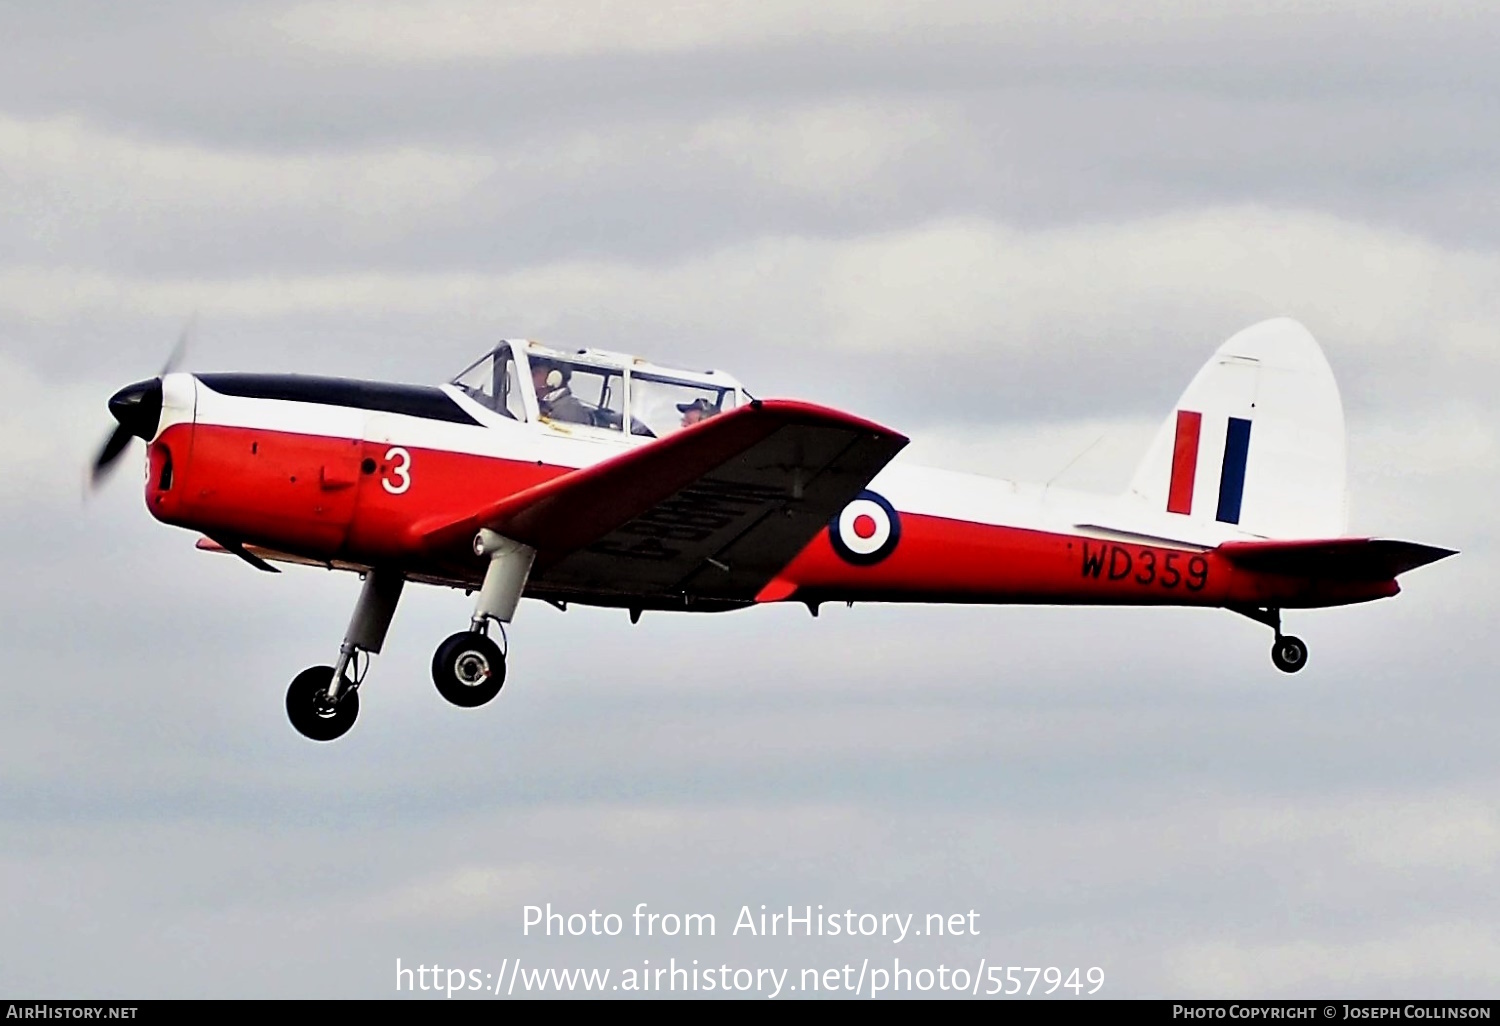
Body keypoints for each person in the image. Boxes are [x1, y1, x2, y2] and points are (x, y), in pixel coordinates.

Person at [531, 360, 592, 425]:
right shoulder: (539, 403)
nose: (530, 375)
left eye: (535, 373)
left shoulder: (569, 410)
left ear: (553, 378)